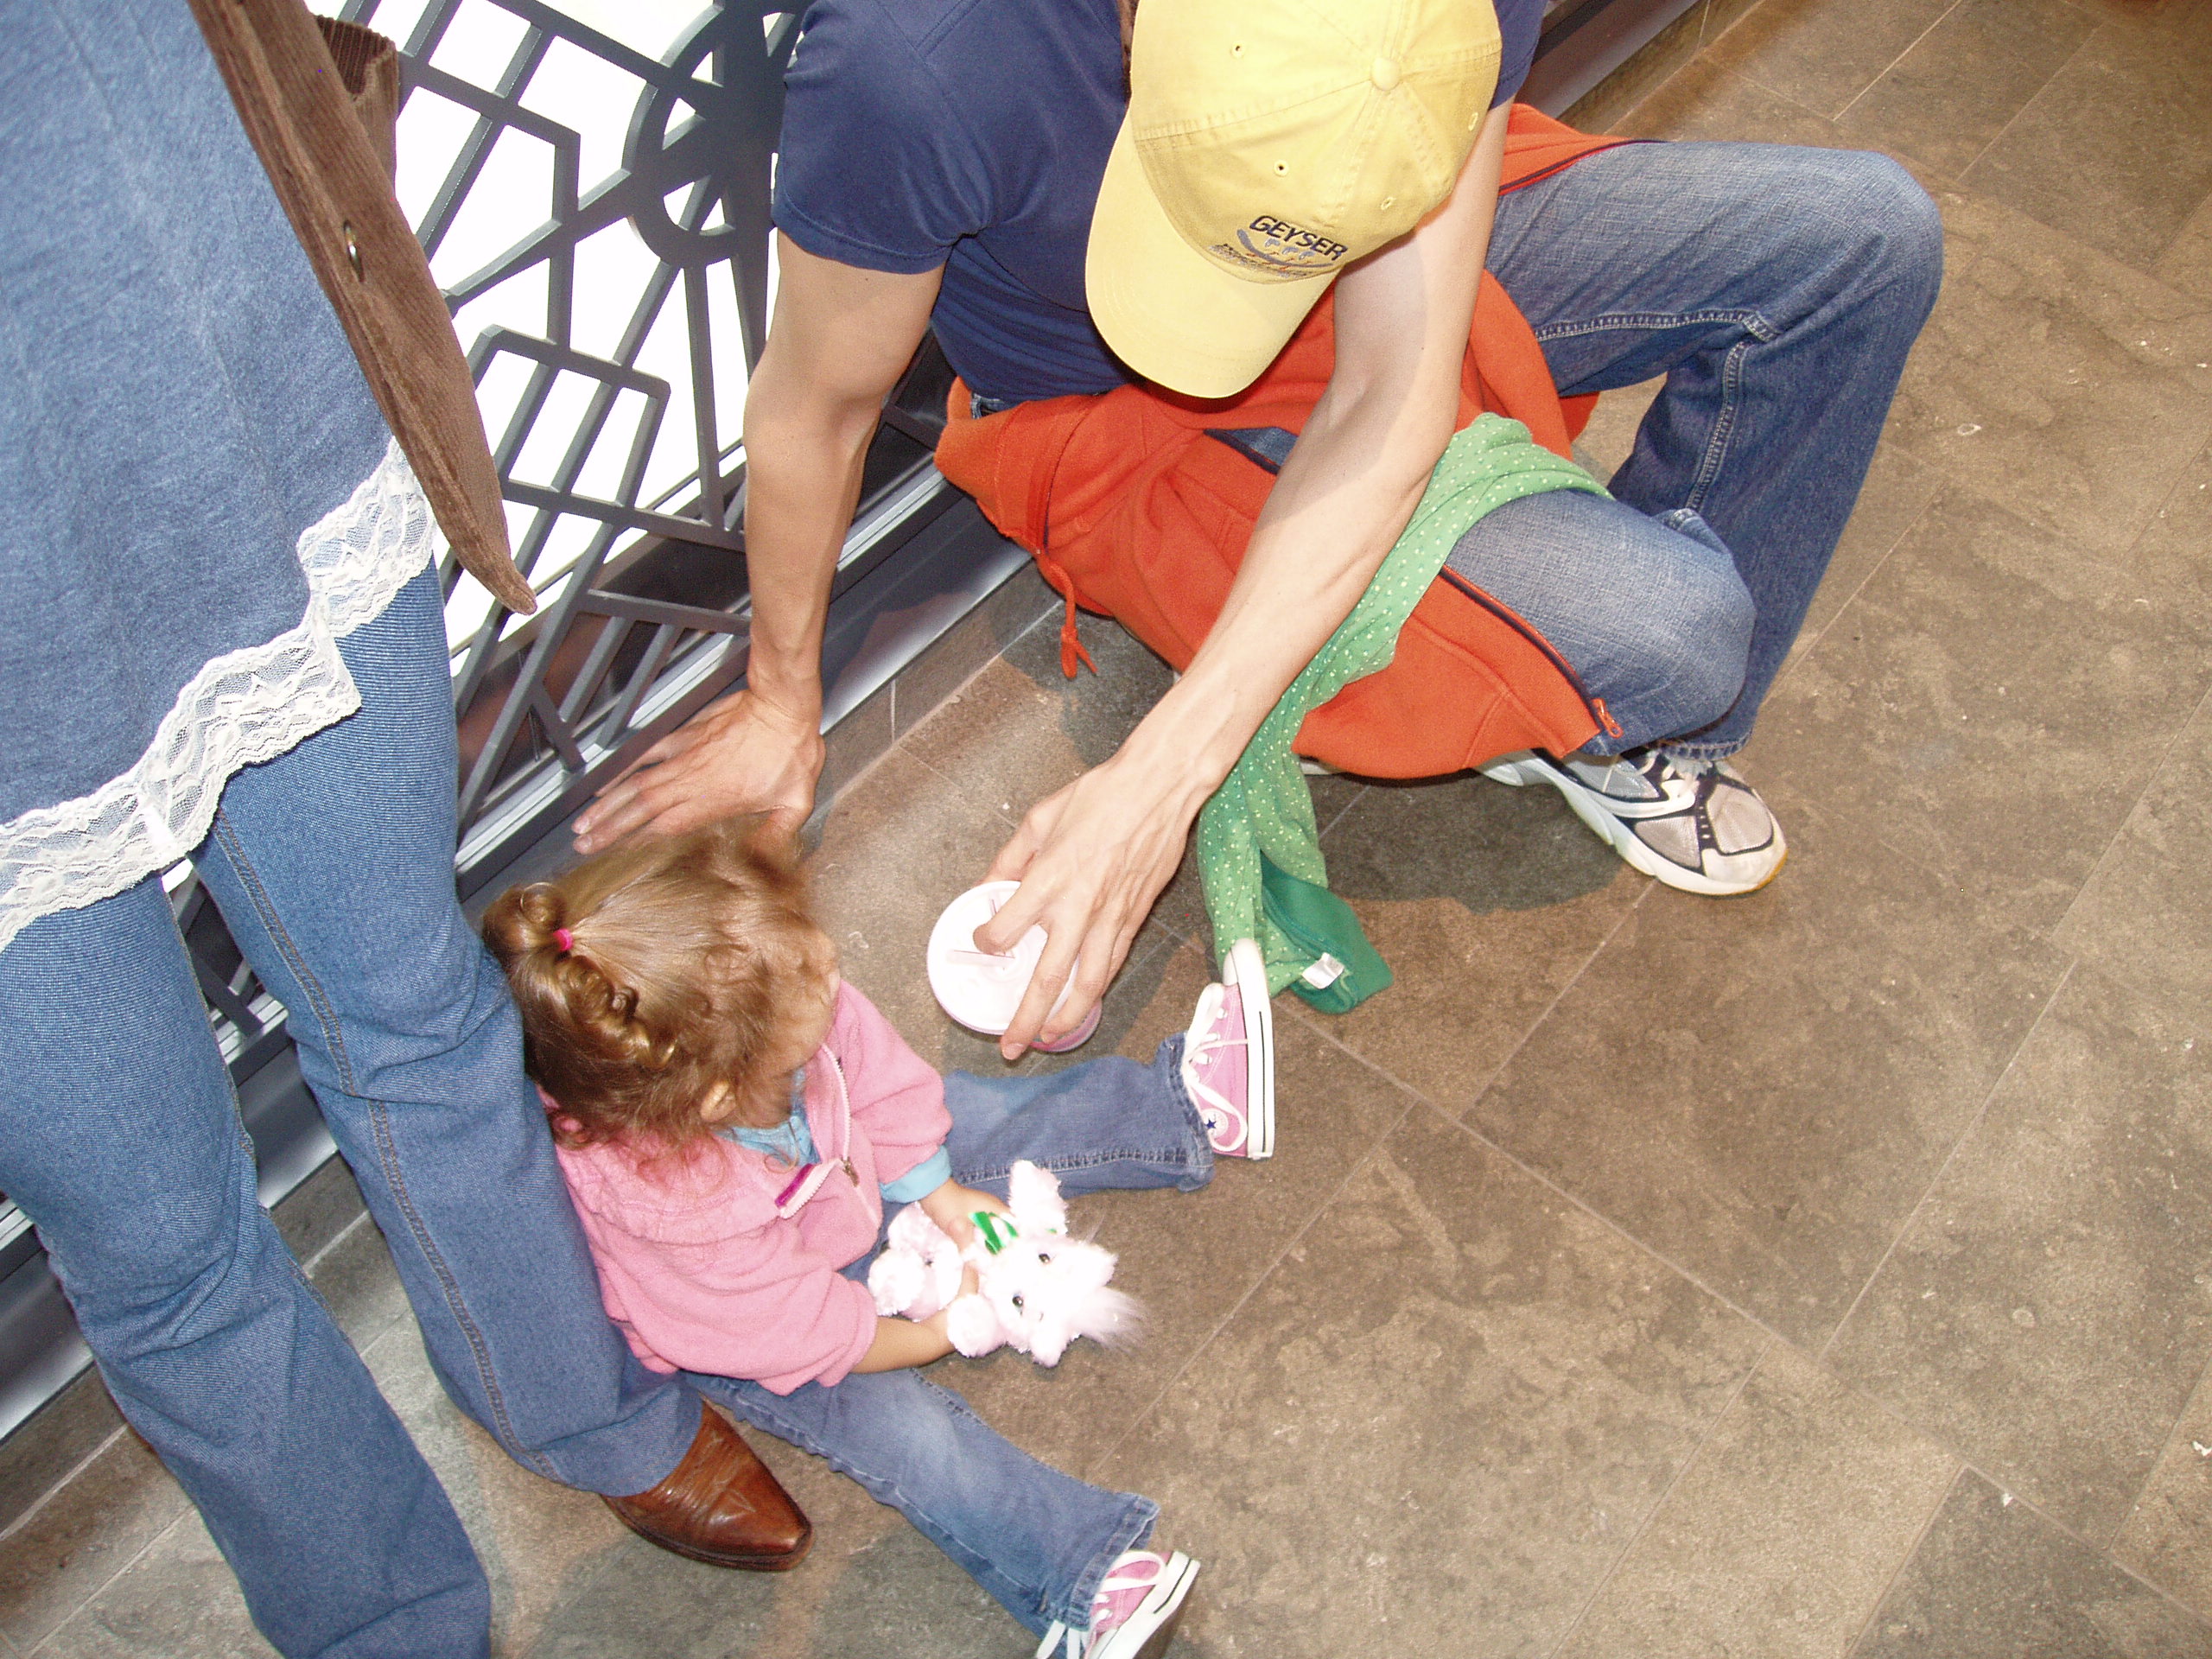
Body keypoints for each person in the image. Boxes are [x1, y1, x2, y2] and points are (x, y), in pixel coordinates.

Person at [571, 0, 1942, 1057]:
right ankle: (1550, 643)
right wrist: (780, 697)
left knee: (1863, 236)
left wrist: (1161, 777)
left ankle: (1597, 706)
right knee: (1672, 628)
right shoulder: (925, 56)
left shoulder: (1430, 30)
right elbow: (815, 404)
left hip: (1376, 215)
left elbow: (1391, 387)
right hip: (1115, 403)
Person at [0, 5, 809, 1654]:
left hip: (227, 397)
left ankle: (571, 1399)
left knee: (421, 1014)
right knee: (158, 1246)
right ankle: (383, 1621)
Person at [481, 818, 1273, 1656]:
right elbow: (807, 1332)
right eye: (808, 979)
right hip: (761, 1324)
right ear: (720, 1095)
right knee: (907, 1436)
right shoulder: (679, 1212)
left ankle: (1188, 1112)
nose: (829, 965)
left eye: (811, 952)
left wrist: (941, 1194)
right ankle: (1079, 1584)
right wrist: (943, 1329)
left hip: (837, 1176)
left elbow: (880, 1079)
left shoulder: (771, 985)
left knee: (976, 1111)